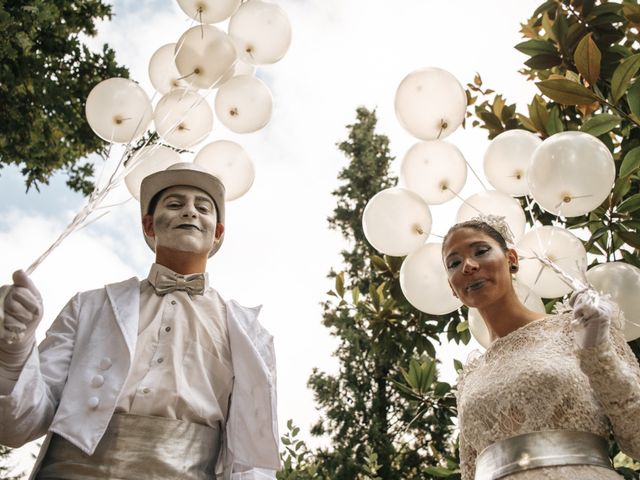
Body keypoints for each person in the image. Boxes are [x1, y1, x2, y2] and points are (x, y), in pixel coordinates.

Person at [0, 162, 280, 479]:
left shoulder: (248, 333)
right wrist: (15, 350)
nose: (190, 212)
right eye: (174, 204)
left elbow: (252, 459)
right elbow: (17, 427)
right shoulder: (88, 306)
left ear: (217, 232)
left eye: (202, 207)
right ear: (149, 225)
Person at [442, 217, 640, 480]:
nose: (468, 265)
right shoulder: (470, 378)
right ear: (452, 288)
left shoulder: (579, 329)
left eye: (481, 251)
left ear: (511, 259)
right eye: (454, 263)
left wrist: (597, 352)